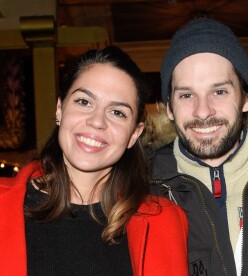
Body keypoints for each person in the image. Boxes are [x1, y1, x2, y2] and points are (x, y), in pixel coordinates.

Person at [0, 46, 189, 276]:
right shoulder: (4, 205)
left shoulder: (164, 224)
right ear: (60, 109)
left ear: (134, 135)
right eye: (84, 102)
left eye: (117, 112)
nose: (97, 121)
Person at [144, 18, 248, 275]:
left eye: (219, 92)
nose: (203, 111)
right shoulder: (137, 190)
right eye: (186, 95)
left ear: (246, 98)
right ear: (169, 108)